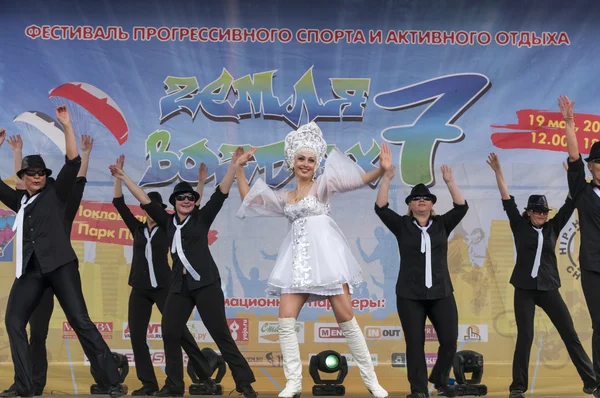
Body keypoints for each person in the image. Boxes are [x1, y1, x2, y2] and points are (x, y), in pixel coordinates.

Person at [235, 122, 390, 398]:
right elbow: (249, 199)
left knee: (346, 317)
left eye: (310, 159)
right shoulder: (286, 197)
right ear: (291, 162)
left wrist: (381, 170)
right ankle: (293, 382)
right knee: (285, 319)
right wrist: (239, 169)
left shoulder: (322, 186)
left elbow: (355, 180)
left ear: (316, 164)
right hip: (296, 264)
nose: (305, 164)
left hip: (327, 260)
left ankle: (372, 381)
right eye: (300, 159)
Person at [109, 148, 257, 398]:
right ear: (174, 202)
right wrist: (123, 177)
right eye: (181, 197)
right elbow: (144, 199)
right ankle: (174, 385)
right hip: (180, 287)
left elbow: (221, 192)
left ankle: (244, 383)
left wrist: (234, 166)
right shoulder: (166, 222)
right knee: (169, 331)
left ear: (195, 200)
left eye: (191, 197)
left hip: (206, 284)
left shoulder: (201, 218)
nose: (186, 200)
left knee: (221, 334)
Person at [0, 106, 125, 398]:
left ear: (46, 176)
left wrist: (67, 125)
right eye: (30, 173)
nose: (36, 177)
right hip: (32, 271)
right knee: (14, 321)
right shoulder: (20, 201)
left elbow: (73, 160)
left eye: (40, 173)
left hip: (61, 266)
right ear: (23, 175)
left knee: (80, 321)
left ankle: (110, 381)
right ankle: (25, 385)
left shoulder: (55, 192)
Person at [487, 152, 597, 398]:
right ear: (528, 212)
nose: (541, 214)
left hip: (548, 288)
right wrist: (498, 172)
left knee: (569, 334)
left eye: (544, 211)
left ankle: (591, 381)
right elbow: (507, 200)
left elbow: (571, 202)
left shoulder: (553, 227)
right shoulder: (519, 225)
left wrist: (573, 178)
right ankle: (518, 387)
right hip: (524, 288)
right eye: (536, 211)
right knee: (525, 336)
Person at [111, 156, 219, 395]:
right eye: (149, 209)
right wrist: (119, 177)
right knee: (137, 337)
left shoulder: (170, 228)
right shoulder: (137, 229)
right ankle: (149, 384)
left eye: (158, 209)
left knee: (179, 333)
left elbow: (195, 209)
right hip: (139, 288)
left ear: (162, 210)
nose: (152, 213)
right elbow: (118, 204)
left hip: (164, 287)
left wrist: (199, 184)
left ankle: (204, 375)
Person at [374, 163, 468, 398]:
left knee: (449, 341)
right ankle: (418, 390)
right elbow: (381, 208)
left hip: (441, 292)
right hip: (409, 294)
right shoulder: (402, 226)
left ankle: (438, 378)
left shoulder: (442, 225)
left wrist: (450, 183)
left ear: (432, 203)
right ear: (410, 204)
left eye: (426, 198)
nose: (421, 201)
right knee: (414, 344)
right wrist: (386, 178)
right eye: (416, 198)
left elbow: (461, 207)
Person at [562, 94, 600, 396]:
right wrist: (569, 122)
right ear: (590, 168)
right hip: (593, 267)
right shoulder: (583, 192)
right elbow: (573, 158)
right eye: (596, 162)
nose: (599, 167)